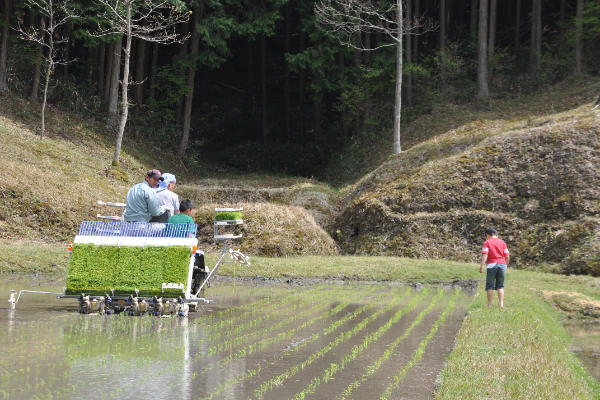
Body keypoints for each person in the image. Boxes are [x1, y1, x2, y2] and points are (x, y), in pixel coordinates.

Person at [480, 227, 510, 308]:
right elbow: (507, 255)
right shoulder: (503, 243)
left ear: (487, 235)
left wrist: (482, 265)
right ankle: (501, 304)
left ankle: (490, 304)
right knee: (500, 286)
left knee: (490, 286)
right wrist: (506, 264)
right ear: (497, 235)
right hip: (502, 265)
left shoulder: (487, 242)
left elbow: (485, 254)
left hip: (492, 265)